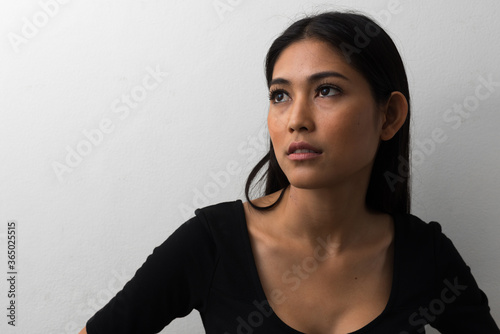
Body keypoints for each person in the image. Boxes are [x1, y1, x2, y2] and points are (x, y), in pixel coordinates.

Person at [79, 11, 499, 334]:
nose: (296, 118)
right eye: (280, 95)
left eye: (326, 90)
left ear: (389, 116)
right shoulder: (211, 243)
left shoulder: (425, 255)